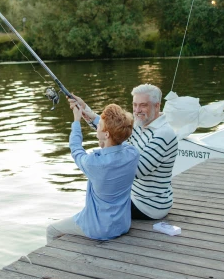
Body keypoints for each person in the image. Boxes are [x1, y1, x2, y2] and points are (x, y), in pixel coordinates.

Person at [70, 83, 178, 220]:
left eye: (143, 105)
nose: (137, 110)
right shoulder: (141, 123)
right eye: (135, 105)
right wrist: (85, 109)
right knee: (98, 200)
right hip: (132, 196)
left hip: (149, 205)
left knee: (98, 203)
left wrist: (100, 162)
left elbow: (135, 171)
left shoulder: (163, 134)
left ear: (157, 106)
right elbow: (115, 133)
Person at [46, 102, 139, 243]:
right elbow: (119, 138)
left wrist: (76, 121)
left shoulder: (94, 163)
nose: (98, 127)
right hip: (122, 225)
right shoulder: (132, 154)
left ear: (106, 134)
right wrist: (92, 117)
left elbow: (76, 149)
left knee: (51, 230)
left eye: (100, 125)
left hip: (98, 228)